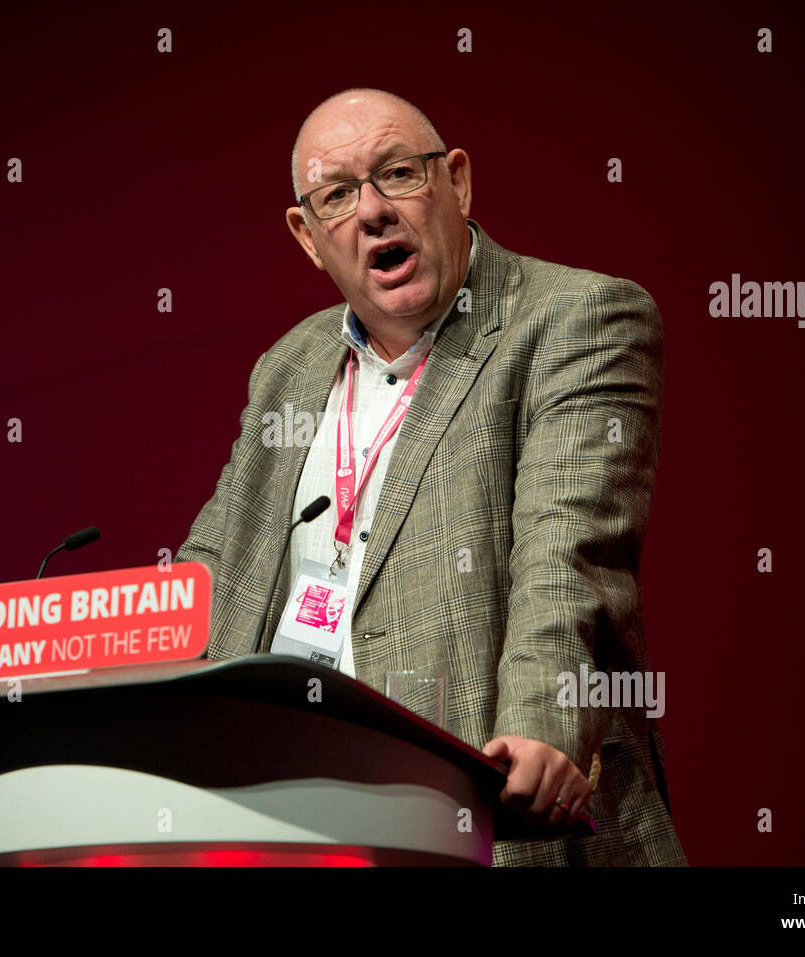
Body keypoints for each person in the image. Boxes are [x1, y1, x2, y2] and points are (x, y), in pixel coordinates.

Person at [174, 88, 686, 866]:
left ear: (457, 181)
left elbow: (568, 559)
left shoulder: (574, 318)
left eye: (398, 175)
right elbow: (214, 568)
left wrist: (542, 731)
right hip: (292, 820)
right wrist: (79, 657)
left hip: (480, 814)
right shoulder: (289, 365)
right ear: (308, 236)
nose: (373, 211)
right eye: (337, 195)